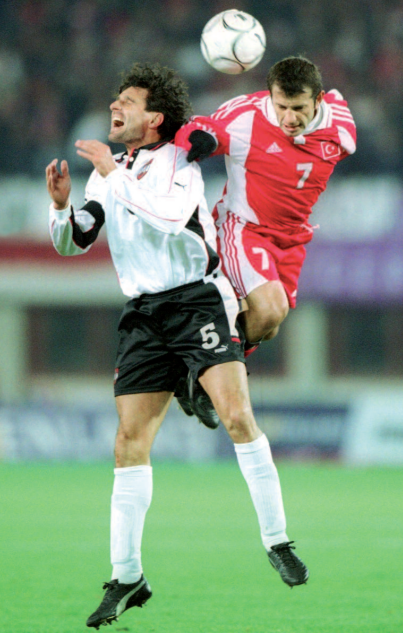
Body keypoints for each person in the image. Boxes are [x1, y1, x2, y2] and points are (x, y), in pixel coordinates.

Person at [45, 63, 309, 630]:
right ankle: (126, 576)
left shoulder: (178, 161)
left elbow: (167, 218)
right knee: (128, 442)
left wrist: (111, 172)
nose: (115, 106)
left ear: (155, 118)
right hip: (143, 314)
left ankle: (277, 540)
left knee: (237, 416)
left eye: (128, 101)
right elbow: (74, 242)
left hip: (196, 301)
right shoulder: (108, 176)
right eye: (116, 98)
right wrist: (62, 207)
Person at [176, 56, 357, 357]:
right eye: (281, 106)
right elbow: (197, 128)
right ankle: (201, 367)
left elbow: (341, 113)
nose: (289, 117)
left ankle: (210, 361)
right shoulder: (246, 116)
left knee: (268, 325)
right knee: (271, 308)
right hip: (244, 228)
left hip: (292, 238)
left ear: (318, 100)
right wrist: (200, 140)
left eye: (298, 108)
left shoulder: (341, 128)